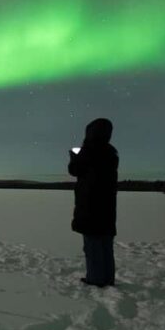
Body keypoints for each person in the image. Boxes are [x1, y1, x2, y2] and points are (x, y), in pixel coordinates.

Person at [68, 118, 119, 287]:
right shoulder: (111, 152)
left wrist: (74, 156)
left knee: (92, 245)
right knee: (105, 245)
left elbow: (74, 170)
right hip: (107, 206)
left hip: (90, 205)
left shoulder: (89, 151)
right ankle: (107, 278)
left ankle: (95, 279)